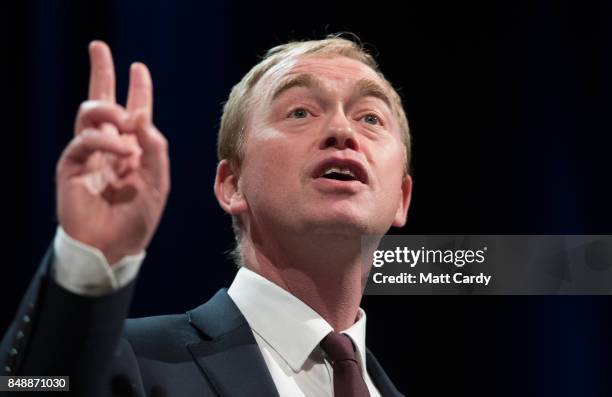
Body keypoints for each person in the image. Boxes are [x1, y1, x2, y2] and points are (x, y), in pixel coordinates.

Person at [1, 35, 412, 396]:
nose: (342, 130)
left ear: (401, 198)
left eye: (370, 118)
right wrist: (87, 256)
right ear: (231, 184)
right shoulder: (126, 361)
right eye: (300, 112)